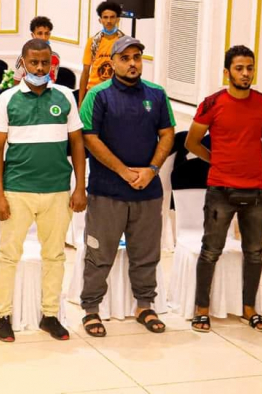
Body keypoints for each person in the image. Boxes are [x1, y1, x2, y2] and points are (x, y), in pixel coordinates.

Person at [78, 36, 175, 337]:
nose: (133, 63)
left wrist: (152, 170)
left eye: (137, 57)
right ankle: (91, 308)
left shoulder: (157, 94)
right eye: (125, 58)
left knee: (146, 253)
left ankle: (144, 305)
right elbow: (88, 138)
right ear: (113, 63)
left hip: (147, 190)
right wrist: (122, 171)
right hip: (107, 191)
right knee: (99, 254)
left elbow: (168, 133)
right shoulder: (98, 95)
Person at [0, 39, 86, 342]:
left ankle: (50, 315)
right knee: (9, 255)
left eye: (46, 62)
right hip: (17, 190)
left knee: (55, 255)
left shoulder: (65, 97)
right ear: (23, 63)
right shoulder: (7, 99)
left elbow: (78, 144)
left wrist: (80, 187)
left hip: (57, 190)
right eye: (34, 62)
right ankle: (2, 316)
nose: (40, 68)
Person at [186, 45, 262, 333]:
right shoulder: (212, 103)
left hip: (256, 190)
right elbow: (191, 142)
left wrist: (248, 155)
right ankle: (202, 310)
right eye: (239, 68)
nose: (245, 73)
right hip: (220, 190)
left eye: (250, 68)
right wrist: (217, 160)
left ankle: (250, 310)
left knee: (255, 252)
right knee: (211, 250)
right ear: (227, 72)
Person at [78, 1, 125, 106]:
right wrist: (80, 102)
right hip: (94, 92)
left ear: (118, 19)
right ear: (100, 20)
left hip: (116, 93)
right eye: (105, 17)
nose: (109, 21)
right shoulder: (92, 42)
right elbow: (85, 72)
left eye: (112, 17)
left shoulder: (124, 42)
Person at [13, 16, 60, 84]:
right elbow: (16, 82)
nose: (43, 37)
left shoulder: (55, 57)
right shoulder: (23, 57)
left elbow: (53, 80)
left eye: (46, 33)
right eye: (40, 33)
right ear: (33, 35)